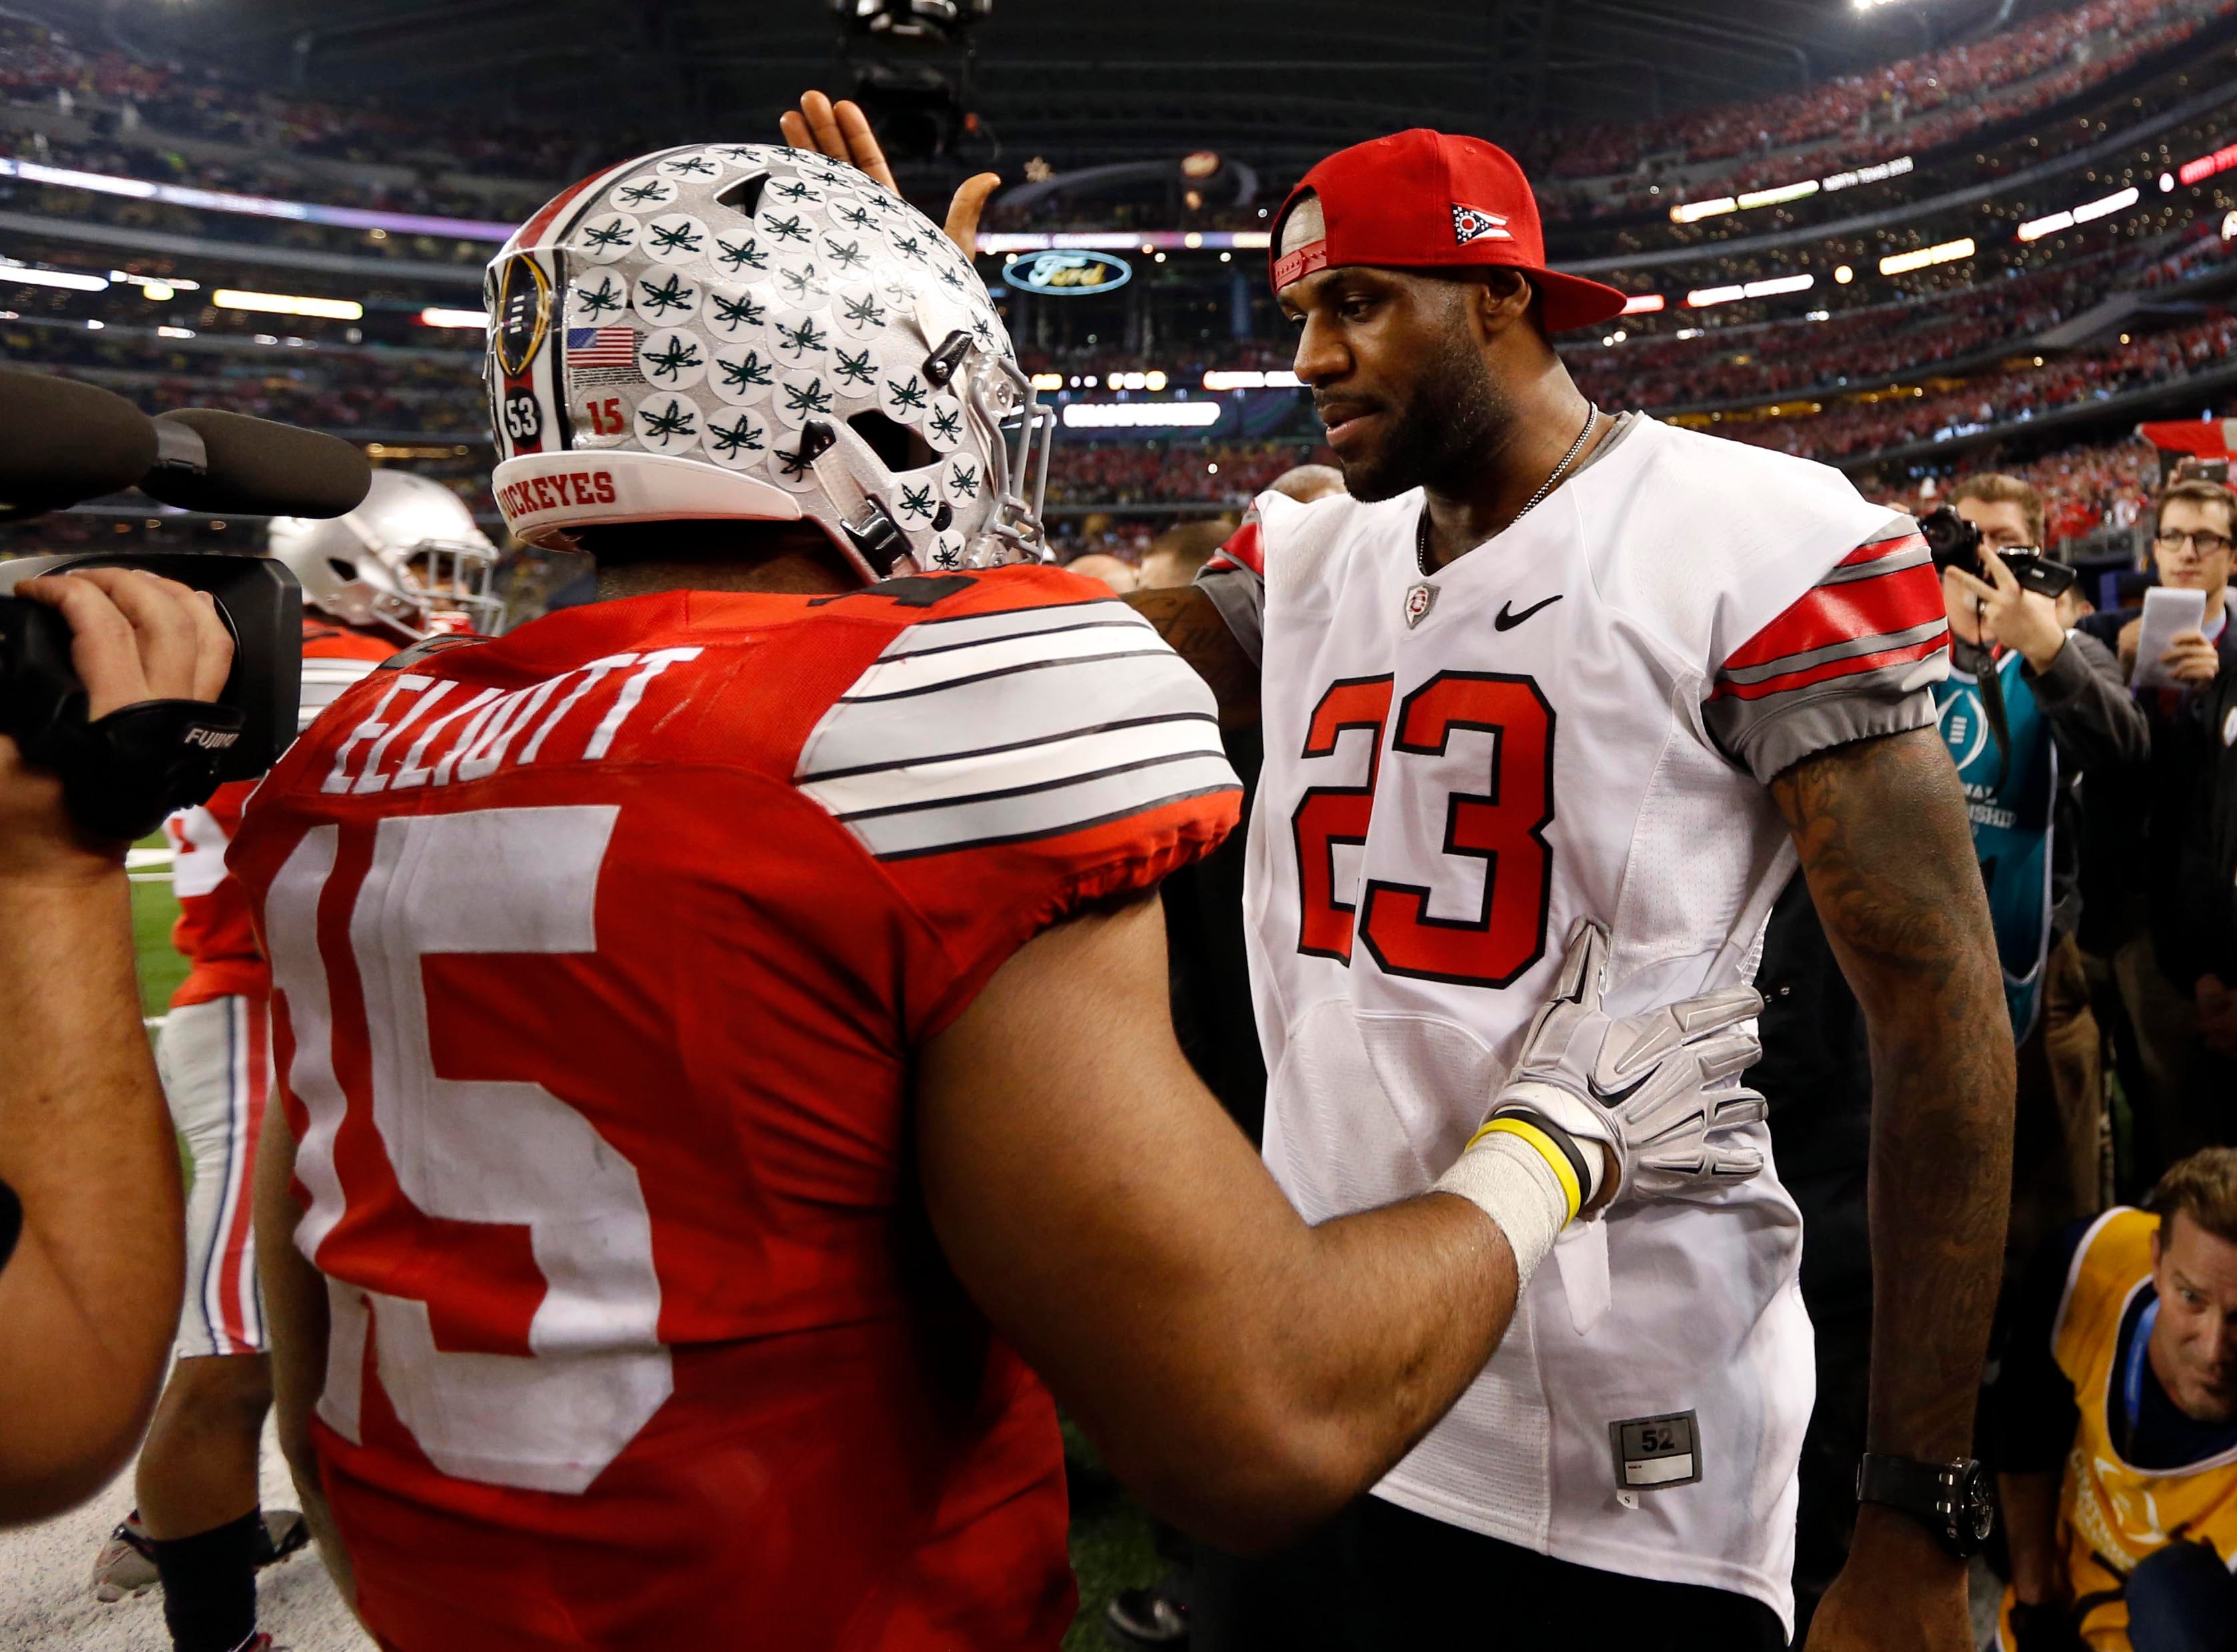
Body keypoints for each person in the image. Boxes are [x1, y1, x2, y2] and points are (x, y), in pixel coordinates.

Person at [236, 137, 1767, 1651]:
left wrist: (865, 299)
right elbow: (1261, 1420)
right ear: (850, 424)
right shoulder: (926, 725)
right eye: (946, 396)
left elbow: (308, 1343)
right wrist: (1554, 1135)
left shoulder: (356, 746)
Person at [932, 124, 2009, 1649]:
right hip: (1316, 1385)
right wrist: (915, 353)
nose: (1309, 354)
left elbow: (1941, 1018)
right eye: (1301, 310)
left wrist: (1916, 1503)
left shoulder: (1749, 538)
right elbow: (1005, 679)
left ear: (1497, 294)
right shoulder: (1297, 562)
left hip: (1626, 1445)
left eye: (1356, 302)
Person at [87, 471, 503, 1652]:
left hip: (312, 1007)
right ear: (344, 562)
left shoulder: (292, 656)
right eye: (428, 569)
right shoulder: (318, 666)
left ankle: (170, 1523)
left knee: (318, 1318)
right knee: (236, 1350)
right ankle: (201, 1608)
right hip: (261, 1014)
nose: (450, 600)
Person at [0, 567, 234, 1527]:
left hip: (228, 996)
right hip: (241, 997)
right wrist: (53, 870)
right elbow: (43, 1423)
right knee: (236, 1352)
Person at [1937, 474, 2147, 1270]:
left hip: (2038, 972)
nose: (1983, 556)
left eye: (2005, 539)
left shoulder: (2073, 652)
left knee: (2052, 1183)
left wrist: (2042, 647)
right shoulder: (1911, 657)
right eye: (1970, 537)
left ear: (2042, 556)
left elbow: (2126, 756)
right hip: (1929, 967)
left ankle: (2054, 1343)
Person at [1989, 1146, 2237, 1651]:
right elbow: (2022, 1428)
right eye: (2191, 1297)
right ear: (2155, 1260)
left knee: (2171, 1595)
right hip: (2062, 1583)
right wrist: (2035, 1607)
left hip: (2178, 1619)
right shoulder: (2092, 1262)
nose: (2215, 1349)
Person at [2092, 481, 2237, 1176]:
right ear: (2151, 550)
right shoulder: (2108, 639)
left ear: (2230, 557)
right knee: (2134, 1107)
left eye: (2205, 538)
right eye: (2173, 536)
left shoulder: (2233, 659)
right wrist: (2113, 673)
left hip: (2202, 926)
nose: (2187, 551)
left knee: (2197, 1114)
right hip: (2113, 911)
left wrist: (2214, 699)